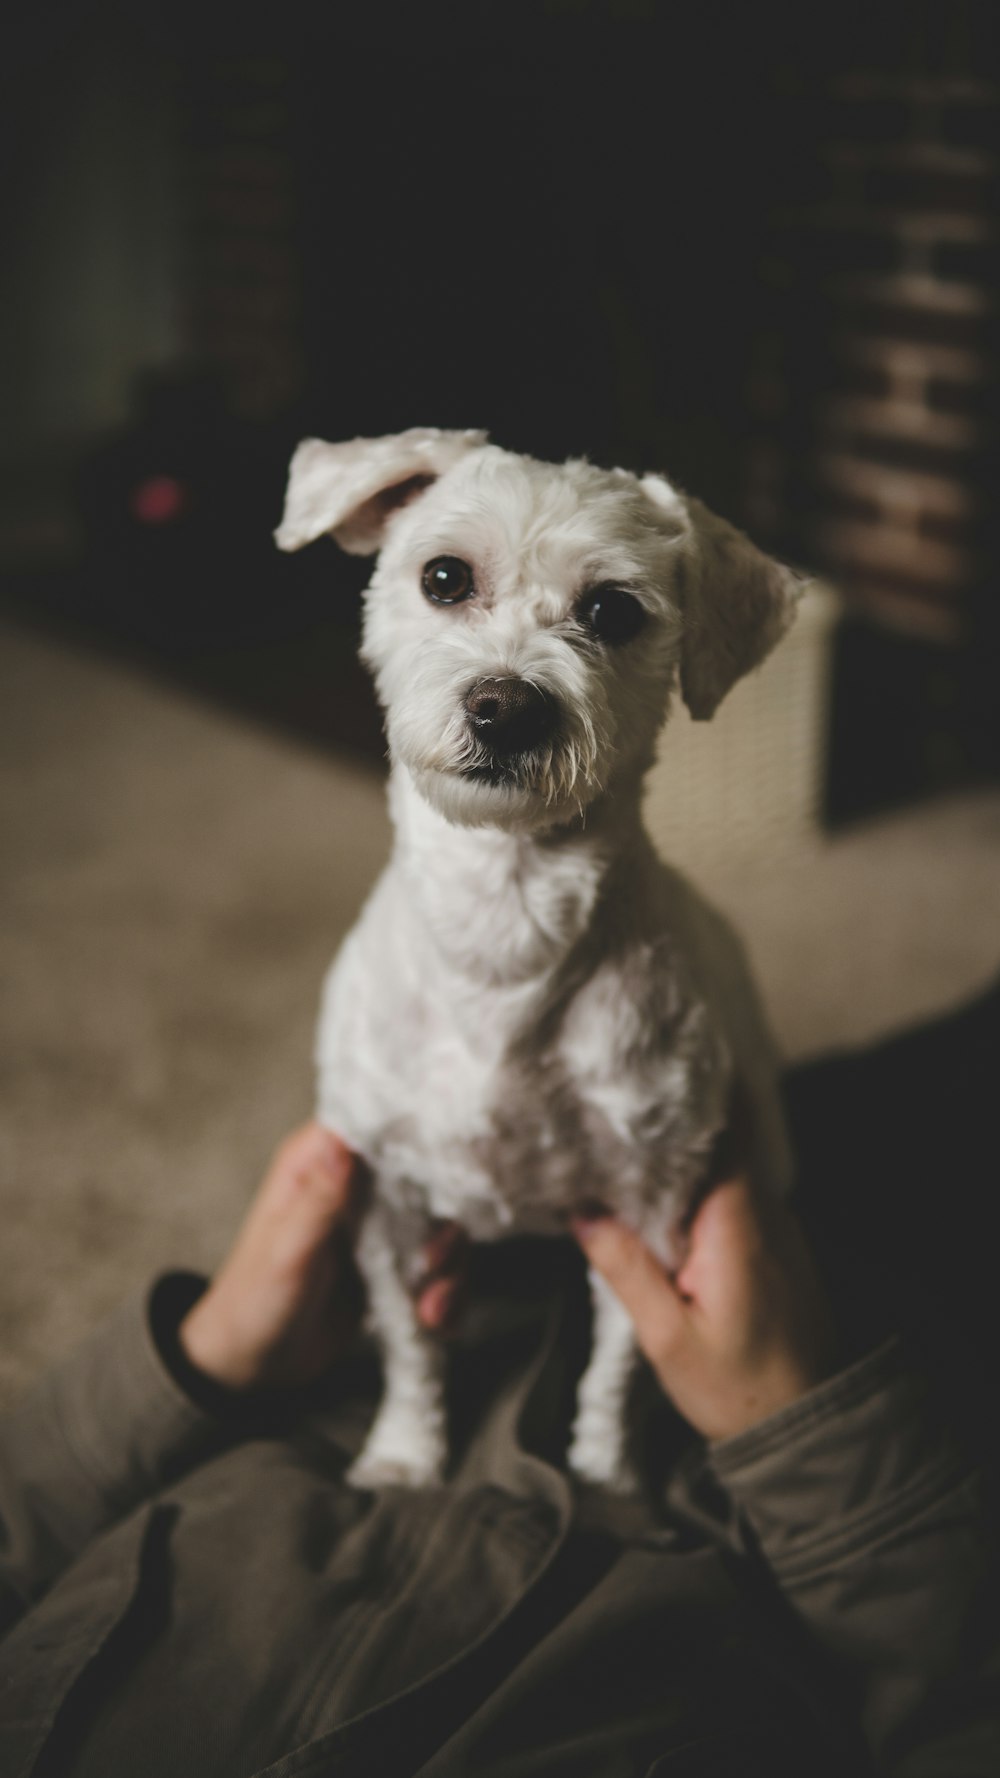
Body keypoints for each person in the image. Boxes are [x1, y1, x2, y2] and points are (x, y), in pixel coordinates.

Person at [0, 1112, 997, 1777]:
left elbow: (18, 1531)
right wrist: (806, 1428)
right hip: (807, 1487)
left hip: (393, 1345)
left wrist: (206, 1355)